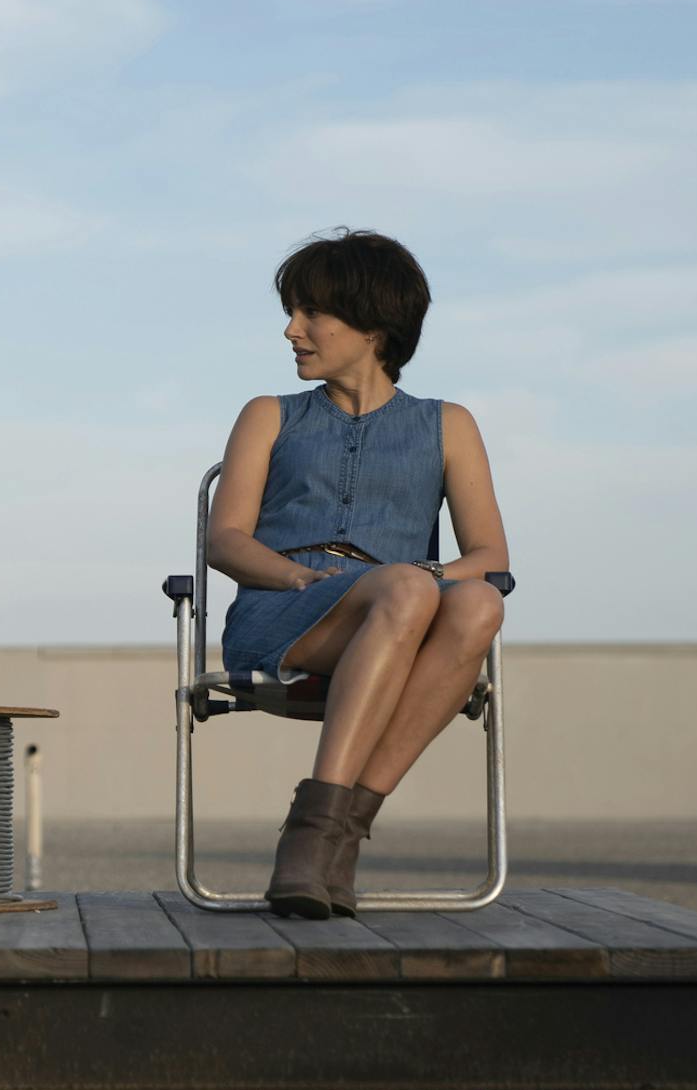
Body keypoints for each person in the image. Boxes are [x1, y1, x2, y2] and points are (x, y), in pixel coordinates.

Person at [210, 229, 509, 919]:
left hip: (396, 614)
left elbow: (491, 556)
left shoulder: (448, 424)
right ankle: (317, 841)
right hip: (282, 615)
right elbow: (225, 540)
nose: (292, 330)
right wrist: (294, 580)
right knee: (411, 590)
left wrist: (414, 582)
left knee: (478, 608)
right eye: (293, 313)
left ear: (373, 326)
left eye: (313, 314)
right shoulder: (268, 415)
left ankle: (331, 835)